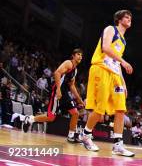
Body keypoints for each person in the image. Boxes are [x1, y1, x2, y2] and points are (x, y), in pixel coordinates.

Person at [81, 10, 135, 157]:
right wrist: (124, 62)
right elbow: (105, 47)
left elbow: (116, 62)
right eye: (126, 17)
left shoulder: (123, 40)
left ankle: (118, 144)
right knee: (99, 110)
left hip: (114, 73)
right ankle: (85, 135)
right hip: (101, 69)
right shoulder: (111, 29)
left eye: (130, 17)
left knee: (120, 109)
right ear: (118, 19)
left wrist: (123, 83)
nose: (129, 19)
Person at [22, 49, 85, 143]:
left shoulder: (75, 70)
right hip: (57, 92)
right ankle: (30, 119)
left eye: (81, 55)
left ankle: (71, 136)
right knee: (51, 117)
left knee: (75, 113)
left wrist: (79, 99)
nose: (80, 56)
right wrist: (58, 89)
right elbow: (57, 73)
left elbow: (71, 85)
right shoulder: (68, 63)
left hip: (65, 94)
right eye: (78, 54)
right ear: (73, 56)